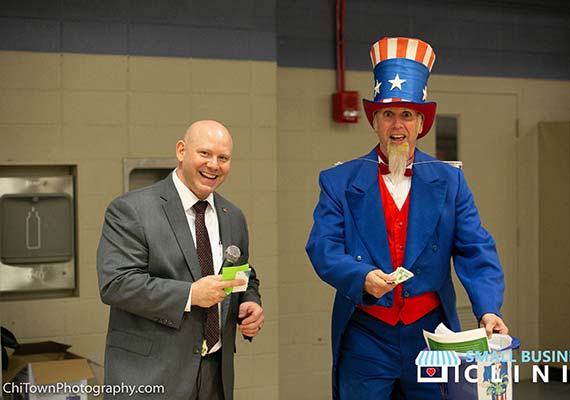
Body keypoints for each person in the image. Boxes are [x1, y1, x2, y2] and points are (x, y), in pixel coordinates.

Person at [305, 37, 508, 400]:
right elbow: (323, 248)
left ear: (421, 123)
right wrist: (361, 277)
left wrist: (488, 308)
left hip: (430, 334)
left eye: (407, 115)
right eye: (388, 115)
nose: (397, 125)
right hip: (366, 335)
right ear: (374, 121)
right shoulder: (338, 181)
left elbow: (476, 249)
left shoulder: (450, 181)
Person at [97, 120, 264, 400]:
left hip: (215, 376)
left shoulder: (232, 216)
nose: (214, 165)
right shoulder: (132, 210)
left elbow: (242, 273)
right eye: (205, 153)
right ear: (181, 151)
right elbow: (116, 283)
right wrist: (190, 294)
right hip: (151, 376)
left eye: (223, 158)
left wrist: (250, 301)